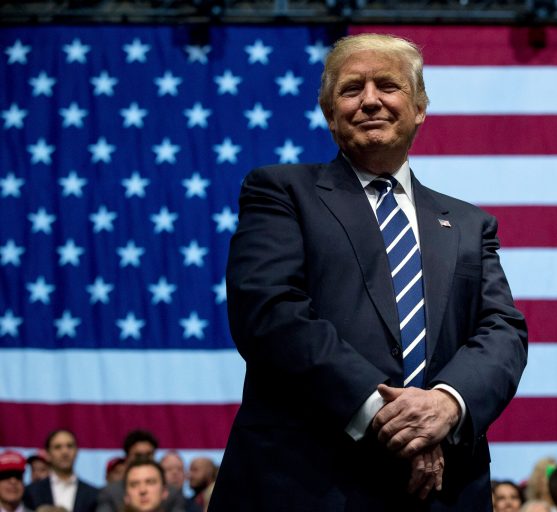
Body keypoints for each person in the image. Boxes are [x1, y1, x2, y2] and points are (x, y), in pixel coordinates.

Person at [209, 32, 528, 511]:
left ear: (419, 107)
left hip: (444, 488)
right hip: (307, 484)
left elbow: (502, 330)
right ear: (329, 112)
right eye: (352, 88)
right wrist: (387, 415)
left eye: (388, 85)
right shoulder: (280, 192)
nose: (371, 100)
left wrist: (447, 403)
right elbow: (269, 313)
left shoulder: (469, 224)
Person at [96, 430, 185, 512]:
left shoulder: (173, 493)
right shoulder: (110, 493)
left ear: (164, 492)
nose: (143, 490)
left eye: (150, 482)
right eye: (134, 484)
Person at [22, 429, 99, 512]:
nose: (64, 452)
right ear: (48, 454)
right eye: (57, 447)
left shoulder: (94, 494)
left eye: (69, 446)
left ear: (77, 451)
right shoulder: (31, 492)